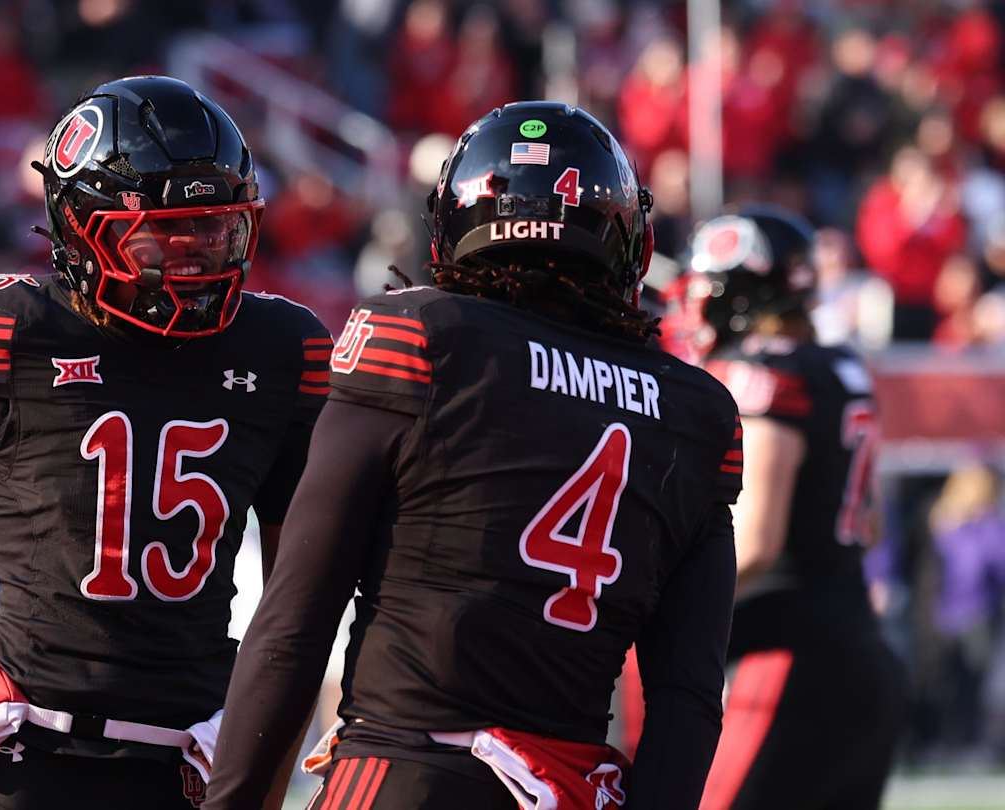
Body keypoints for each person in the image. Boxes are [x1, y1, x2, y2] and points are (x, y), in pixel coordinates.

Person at [0, 76, 330, 810]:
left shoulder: (280, 349)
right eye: (162, 234)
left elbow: (301, 595)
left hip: (190, 756)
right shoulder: (13, 336)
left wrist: (274, 759)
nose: (195, 259)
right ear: (80, 227)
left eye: (214, 230)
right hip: (22, 750)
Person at [203, 102, 743, 810]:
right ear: (627, 242)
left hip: (407, 773)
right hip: (571, 791)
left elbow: (294, 623)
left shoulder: (421, 338)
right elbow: (687, 697)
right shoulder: (695, 410)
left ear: (454, 223)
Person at [677, 208, 904, 810]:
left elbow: (757, 542)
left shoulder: (766, 373)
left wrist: (665, 607)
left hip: (785, 657)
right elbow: (868, 523)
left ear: (740, 293)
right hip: (862, 651)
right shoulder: (841, 367)